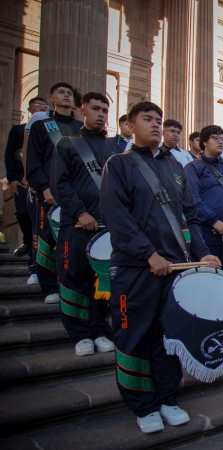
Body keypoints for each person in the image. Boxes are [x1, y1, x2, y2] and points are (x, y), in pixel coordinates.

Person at [100, 101, 220, 433]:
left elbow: (190, 216)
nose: (155, 124)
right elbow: (117, 217)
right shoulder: (118, 164)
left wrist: (202, 253)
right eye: (147, 119)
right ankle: (143, 405)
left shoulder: (175, 166)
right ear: (130, 125)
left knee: (169, 336)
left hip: (176, 267)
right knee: (134, 336)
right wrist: (149, 255)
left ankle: (168, 398)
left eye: (158, 119)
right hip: (135, 268)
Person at [51, 92, 120, 356]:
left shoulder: (115, 148)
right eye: (95, 109)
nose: (101, 114)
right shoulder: (68, 144)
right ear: (82, 111)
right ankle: (79, 334)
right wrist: (80, 213)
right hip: (77, 226)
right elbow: (61, 184)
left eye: (105, 110)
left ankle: (100, 330)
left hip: (107, 229)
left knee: (101, 282)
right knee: (74, 278)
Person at [26, 82, 83, 304]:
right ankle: (49, 287)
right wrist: (44, 188)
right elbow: (33, 161)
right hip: (49, 193)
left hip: (76, 195)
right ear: (52, 98)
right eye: (61, 92)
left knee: (73, 243)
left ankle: (72, 286)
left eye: (69, 93)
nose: (66, 96)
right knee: (47, 239)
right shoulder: (42, 126)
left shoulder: (81, 128)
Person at [184, 125, 223, 259]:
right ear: (204, 142)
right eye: (215, 138)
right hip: (210, 234)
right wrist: (213, 220)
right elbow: (193, 199)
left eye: (222, 138)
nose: (220, 142)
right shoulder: (193, 167)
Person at [4, 96, 49, 287]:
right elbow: (10, 155)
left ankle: (35, 256)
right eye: (38, 105)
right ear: (30, 109)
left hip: (43, 178)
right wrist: (13, 178)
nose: (42, 108)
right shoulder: (18, 130)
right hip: (23, 179)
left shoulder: (51, 127)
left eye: (45, 106)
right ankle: (28, 243)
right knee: (23, 212)